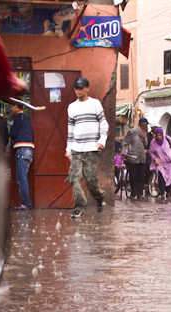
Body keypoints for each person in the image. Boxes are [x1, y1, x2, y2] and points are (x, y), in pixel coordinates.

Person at [66, 76, 108, 218]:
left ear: (87, 88)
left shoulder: (95, 104)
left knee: (91, 179)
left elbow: (104, 123)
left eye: (80, 88)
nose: (77, 90)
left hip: (92, 148)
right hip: (76, 149)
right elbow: (70, 129)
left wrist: (102, 139)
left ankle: (100, 196)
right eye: (76, 88)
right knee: (75, 177)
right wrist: (68, 148)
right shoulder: (72, 107)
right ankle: (79, 206)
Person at [10, 103, 34, 210]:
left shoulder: (19, 117)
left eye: (11, 106)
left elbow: (12, 132)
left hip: (22, 150)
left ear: (16, 106)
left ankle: (26, 204)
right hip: (28, 150)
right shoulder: (26, 117)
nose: (10, 109)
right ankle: (26, 203)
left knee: (21, 178)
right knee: (23, 177)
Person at [122, 117, 150, 199]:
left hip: (142, 158)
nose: (146, 127)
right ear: (143, 125)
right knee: (133, 176)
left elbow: (146, 144)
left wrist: (143, 138)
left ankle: (140, 193)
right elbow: (124, 142)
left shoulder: (144, 133)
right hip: (133, 157)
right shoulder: (132, 131)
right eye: (146, 125)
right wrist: (123, 150)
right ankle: (133, 192)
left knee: (141, 176)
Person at [149, 127, 171, 199]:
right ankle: (162, 193)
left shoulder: (167, 139)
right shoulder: (153, 143)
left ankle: (168, 192)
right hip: (160, 163)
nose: (158, 137)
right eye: (157, 135)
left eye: (160, 135)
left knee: (169, 178)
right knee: (161, 177)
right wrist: (154, 158)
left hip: (169, 162)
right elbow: (151, 152)